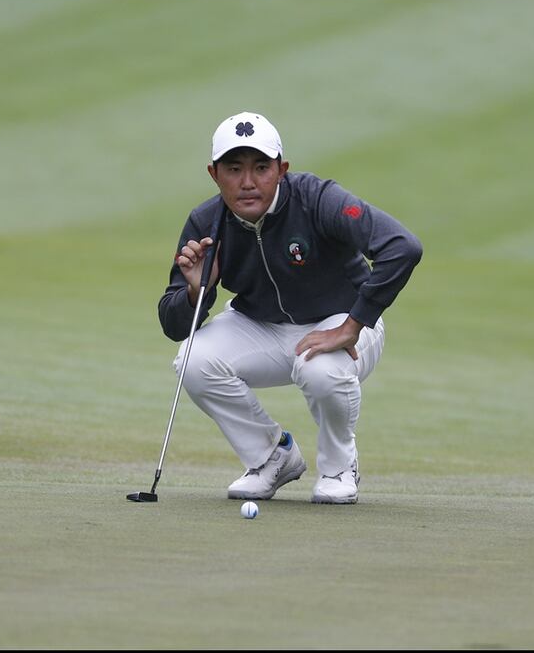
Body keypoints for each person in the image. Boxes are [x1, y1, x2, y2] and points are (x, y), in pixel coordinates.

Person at [157, 112, 423, 504]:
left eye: (261, 168)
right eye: (234, 169)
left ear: (282, 169)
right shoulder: (206, 222)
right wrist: (198, 292)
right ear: (215, 175)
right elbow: (173, 323)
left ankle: (338, 468)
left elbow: (402, 246)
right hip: (260, 326)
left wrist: (354, 324)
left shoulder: (318, 199)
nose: (248, 182)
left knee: (320, 367)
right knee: (192, 359)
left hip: (341, 322)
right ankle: (271, 457)